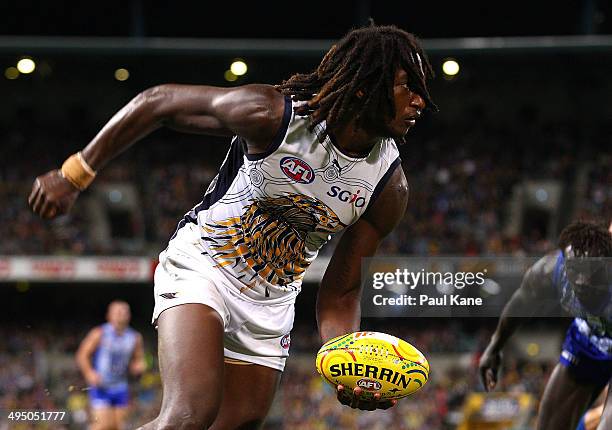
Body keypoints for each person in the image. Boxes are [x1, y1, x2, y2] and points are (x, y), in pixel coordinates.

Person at [29, 24, 436, 429]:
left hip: (271, 304)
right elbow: (159, 102)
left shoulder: (389, 187)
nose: (420, 101)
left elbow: (342, 290)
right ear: (366, 86)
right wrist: (75, 172)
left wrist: (342, 359)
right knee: (188, 417)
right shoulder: (275, 115)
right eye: (407, 87)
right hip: (204, 265)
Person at [479, 220, 612, 430]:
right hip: (588, 340)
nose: (582, 282)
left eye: (591, 273)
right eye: (575, 271)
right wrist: (494, 347)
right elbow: (520, 302)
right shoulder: (550, 270)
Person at [76, 300, 146, 430]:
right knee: (103, 425)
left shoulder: (134, 337)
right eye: (118, 312)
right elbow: (82, 354)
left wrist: (138, 366)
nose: (121, 314)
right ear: (109, 315)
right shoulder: (99, 333)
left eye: (124, 312)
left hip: (121, 386)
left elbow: (139, 358)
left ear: (129, 316)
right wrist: (89, 372)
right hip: (101, 386)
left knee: (119, 426)